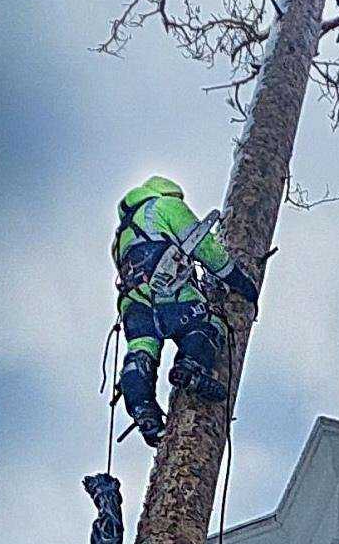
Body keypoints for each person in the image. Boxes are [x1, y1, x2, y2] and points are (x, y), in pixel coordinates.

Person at [111, 175, 259, 446]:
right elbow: (204, 247)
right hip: (171, 291)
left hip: (134, 305)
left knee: (141, 352)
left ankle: (143, 408)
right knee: (208, 324)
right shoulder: (164, 206)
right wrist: (239, 281)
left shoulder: (121, 236)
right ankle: (191, 367)